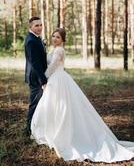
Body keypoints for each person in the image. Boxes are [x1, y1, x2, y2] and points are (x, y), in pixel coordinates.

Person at [31, 28, 134, 163]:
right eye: (53, 36)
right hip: (55, 80)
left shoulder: (60, 50)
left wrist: (43, 80)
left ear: (63, 40)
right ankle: (51, 130)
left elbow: (52, 67)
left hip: (58, 79)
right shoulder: (54, 49)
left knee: (63, 107)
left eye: (58, 37)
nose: (55, 39)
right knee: (53, 106)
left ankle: (64, 135)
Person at [24, 16, 47, 135]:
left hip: (38, 75)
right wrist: (43, 80)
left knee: (39, 102)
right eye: (36, 25)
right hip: (35, 77)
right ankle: (28, 129)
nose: (39, 27)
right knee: (35, 103)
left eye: (40, 25)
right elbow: (35, 63)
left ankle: (36, 126)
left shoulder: (36, 38)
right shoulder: (31, 40)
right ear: (30, 27)